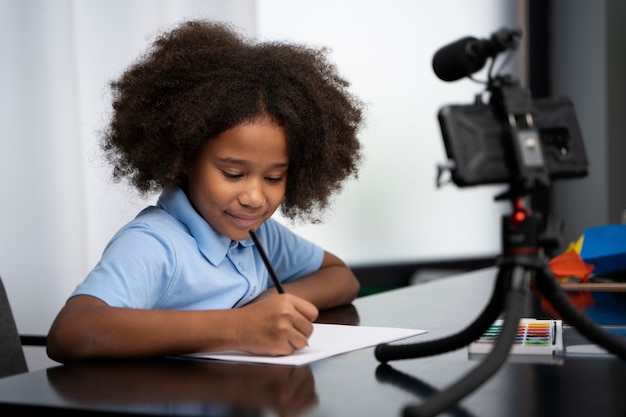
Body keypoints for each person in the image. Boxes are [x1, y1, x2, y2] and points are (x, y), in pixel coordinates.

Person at [46, 19, 364, 363]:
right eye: (232, 173)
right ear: (184, 157)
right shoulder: (155, 244)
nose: (255, 197)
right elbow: (71, 332)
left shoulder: (259, 236)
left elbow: (341, 277)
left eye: (274, 178)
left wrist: (270, 301)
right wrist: (237, 327)